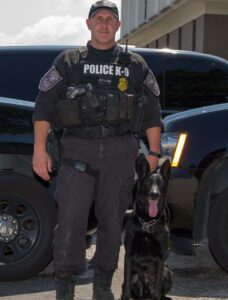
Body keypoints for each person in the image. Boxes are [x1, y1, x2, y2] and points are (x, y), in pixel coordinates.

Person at [32, 1, 162, 299]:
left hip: (120, 151)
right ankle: (64, 287)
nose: (104, 24)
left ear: (118, 26)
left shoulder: (135, 65)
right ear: (88, 24)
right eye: (98, 19)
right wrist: (40, 149)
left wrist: (154, 154)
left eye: (110, 19)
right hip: (78, 149)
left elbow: (153, 113)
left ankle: (102, 286)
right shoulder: (68, 61)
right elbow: (44, 106)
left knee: (112, 221)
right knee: (70, 222)